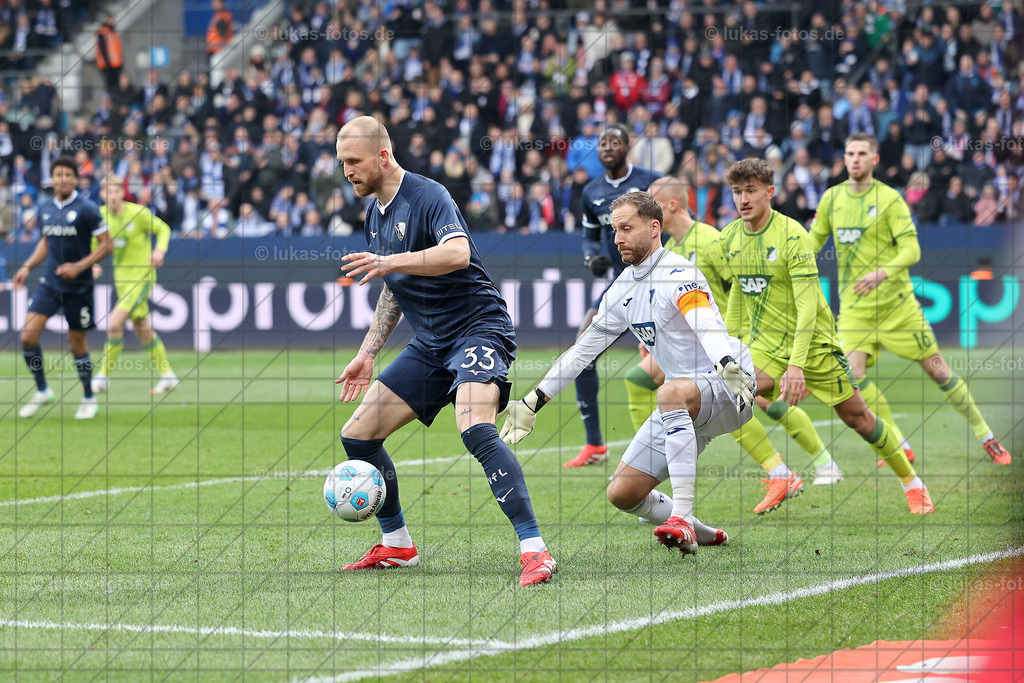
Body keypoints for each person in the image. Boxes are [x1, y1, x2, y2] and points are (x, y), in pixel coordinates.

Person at [333, 116, 555, 586]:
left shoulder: (428, 195)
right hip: (432, 344)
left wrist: (389, 260)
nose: (347, 171)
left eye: (353, 162)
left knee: (474, 427)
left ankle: (535, 550)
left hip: (477, 328)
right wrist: (368, 352)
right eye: (342, 163)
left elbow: (456, 253)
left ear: (382, 156)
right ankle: (398, 545)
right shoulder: (375, 213)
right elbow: (394, 289)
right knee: (358, 436)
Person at [500, 190, 756, 554]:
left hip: (729, 383)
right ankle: (702, 531)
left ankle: (681, 516)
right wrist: (533, 400)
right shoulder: (620, 291)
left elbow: (704, 322)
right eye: (614, 229)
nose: (617, 238)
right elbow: (580, 353)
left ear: (655, 228)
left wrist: (727, 364)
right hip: (686, 401)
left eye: (626, 228)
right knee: (622, 493)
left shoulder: (679, 272)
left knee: (668, 391)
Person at [717, 158, 934, 514]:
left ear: (770, 193)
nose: (743, 198)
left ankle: (912, 483)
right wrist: (725, 349)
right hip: (766, 346)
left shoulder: (792, 236)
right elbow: (740, 295)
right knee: (730, 394)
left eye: (751, 190)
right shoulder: (729, 238)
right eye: (737, 191)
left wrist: (797, 366)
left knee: (859, 420)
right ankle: (779, 474)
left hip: (815, 346)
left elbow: (807, 308)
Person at [625, 176, 844, 515]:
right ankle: (789, 469)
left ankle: (798, 467)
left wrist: (737, 336)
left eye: (648, 204)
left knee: (749, 401)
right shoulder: (669, 251)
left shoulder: (711, 241)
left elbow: (747, 284)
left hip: (725, 341)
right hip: (692, 343)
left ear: (670, 205)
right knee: (654, 383)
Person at [810, 133, 1011, 465]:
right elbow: (813, 240)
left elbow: (912, 249)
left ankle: (987, 437)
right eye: (849, 153)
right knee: (852, 378)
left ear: (875, 160)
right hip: (855, 310)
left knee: (939, 372)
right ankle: (900, 443)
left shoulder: (890, 199)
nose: (855, 158)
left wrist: (880, 273)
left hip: (897, 306)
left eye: (862, 153)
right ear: (844, 158)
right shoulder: (832, 199)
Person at [568, 123, 662, 468]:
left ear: (627, 146)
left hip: (660, 279)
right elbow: (589, 237)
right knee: (584, 346)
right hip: (622, 283)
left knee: (678, 358)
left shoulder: (652, 181)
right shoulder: (591, 191)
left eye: (614, 142)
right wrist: (592, 258)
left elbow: (679, 222)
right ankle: (595, 443)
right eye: (603, 143)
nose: (607, 147)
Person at [14, 156, 112, 420]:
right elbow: (46, 242)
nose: (63, 179)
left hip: (79, 286)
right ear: (53, 178)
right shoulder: (46, 207)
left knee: (76, 343)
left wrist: (80, 266)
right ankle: (43, 390)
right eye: (58, 174)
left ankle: (89, 396)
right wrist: (27, 266)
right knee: (27, 336)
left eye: (68, 174)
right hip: (50, 282)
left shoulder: (87, 208)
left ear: (75, 178)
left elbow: (107, 245)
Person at [91, 176, 179, 395]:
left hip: (142, 276)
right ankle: (168, 375)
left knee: (114, 323)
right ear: (102, 195)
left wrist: (160, 250)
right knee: (141, 327)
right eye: (107, 192)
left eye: (115, 191)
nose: (111, 196)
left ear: (122, 192)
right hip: (121, 279)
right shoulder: (100, 217)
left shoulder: (138, 213)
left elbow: (164, 229)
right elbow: (93, 246)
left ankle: (103, 376)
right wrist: (91, 264)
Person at [95, 14, 124, 92]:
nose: (112, 21)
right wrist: (107, 61)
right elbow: (102, 47)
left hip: (116, 64)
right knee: (110, 86)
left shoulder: (114, 31)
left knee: (116, 85)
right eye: (110, 19)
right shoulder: (103, 31)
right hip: (107, 65)